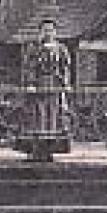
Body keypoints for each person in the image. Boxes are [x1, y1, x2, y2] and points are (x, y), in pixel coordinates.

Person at [17, 18, 72, 162]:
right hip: (39, 86)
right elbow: (29, 68)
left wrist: (65, 83)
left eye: (50, 30)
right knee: (38, 117)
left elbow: (65, 68)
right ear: (40, 32)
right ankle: (35, 151)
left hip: (54, 86)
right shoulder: (34, 48)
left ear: (55, 32)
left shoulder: (61, 49)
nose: (48, 33)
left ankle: (50, 150)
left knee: (53, 118)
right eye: (45, 30)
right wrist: (30, 83)